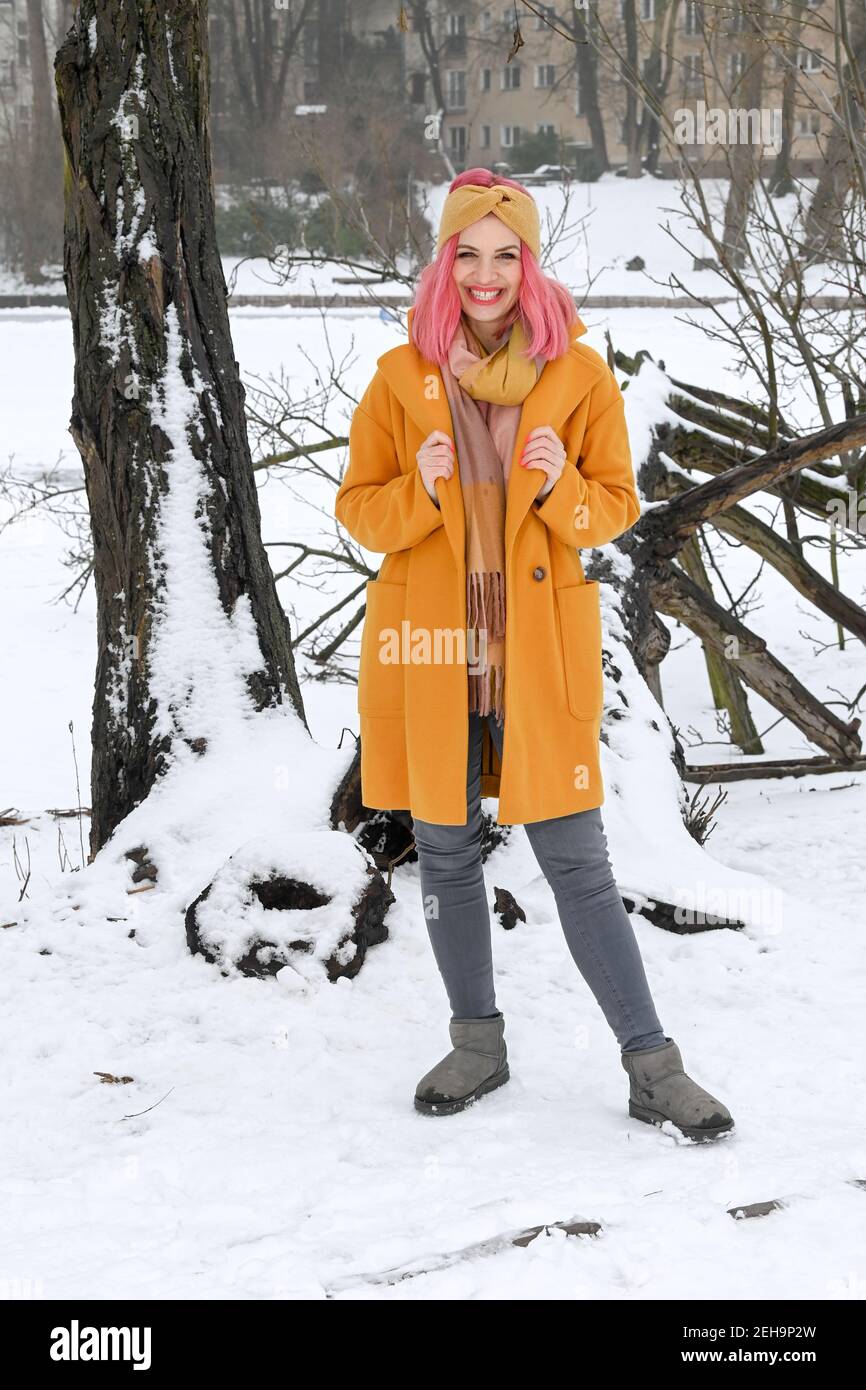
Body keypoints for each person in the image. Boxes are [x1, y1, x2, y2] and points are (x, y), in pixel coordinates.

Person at [335, 169, 734, 1143]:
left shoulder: (576, 374)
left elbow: (614, 505)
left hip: (533, 653)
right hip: (430, 650)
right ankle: (476, 1044)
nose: (485, 273)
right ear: (444, 261)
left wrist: (559, 489)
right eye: (466, 253)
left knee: (576, 862)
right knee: (443, 852)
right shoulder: (398, 378)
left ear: (529, 261)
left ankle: (651, 1065)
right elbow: (357, 510)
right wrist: (421, 491)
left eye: (504, 253)